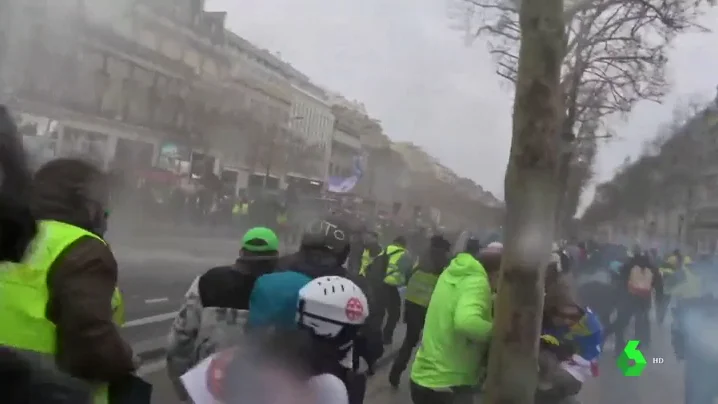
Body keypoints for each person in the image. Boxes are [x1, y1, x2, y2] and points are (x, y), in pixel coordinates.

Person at [0, 158, 135, 404]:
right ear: (89, 205)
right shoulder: (81, 247)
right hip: (54, 394)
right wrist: (124, 361)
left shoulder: (10, 232)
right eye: (104, 207)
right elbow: (89, 340)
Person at [263, 216, 383, 404]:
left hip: (272, 367)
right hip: (333, 378)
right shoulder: (354, 286)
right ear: (344, 253)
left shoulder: (276, 268)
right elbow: (372, 338)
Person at [166, 227, 280, 401]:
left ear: (242, 252)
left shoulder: (207, 281)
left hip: (208, 387)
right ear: (275, 258)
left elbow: (180, 339)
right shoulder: (280, 290)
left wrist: (183, 385)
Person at [409, 236, 494, 404]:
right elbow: (466, 323)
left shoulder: (451, 272)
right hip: (449, 385)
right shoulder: (478, 281)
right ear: (497, 273)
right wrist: (500, 331)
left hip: (422, 378)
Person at [388, 234, 451, 387]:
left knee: (409, 340)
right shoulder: (445, 263)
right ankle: (424, 378)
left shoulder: (422, 258)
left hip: (412, 304)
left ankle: (396, 371)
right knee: (430, 344)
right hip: (430, 308)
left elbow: (410, 276)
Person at [538, 292, 602, 404]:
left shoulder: (590, 328)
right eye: (562, 315)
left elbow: (588, 363)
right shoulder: (545, 318)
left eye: (573, 317)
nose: (567, 321)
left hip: (572, 371)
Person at [610, 245, 663, 352]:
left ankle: (619, 346)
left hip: (628, 298)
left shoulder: (629, 265)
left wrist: (618, 297)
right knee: (640, 323)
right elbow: (659, 284)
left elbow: (620, 281)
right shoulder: (651, 267)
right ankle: (636, 349)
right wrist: (659, 299)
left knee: (622, 322)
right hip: (644, 299)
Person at [373, 236, 415, 345]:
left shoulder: (385, 250)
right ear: (404, 244)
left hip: (379, 284)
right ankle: (386, 337)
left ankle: (373, 334)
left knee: (378, 311)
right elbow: (409, 273)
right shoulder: (406, 255)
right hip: (391, 286)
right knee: (394, 314)